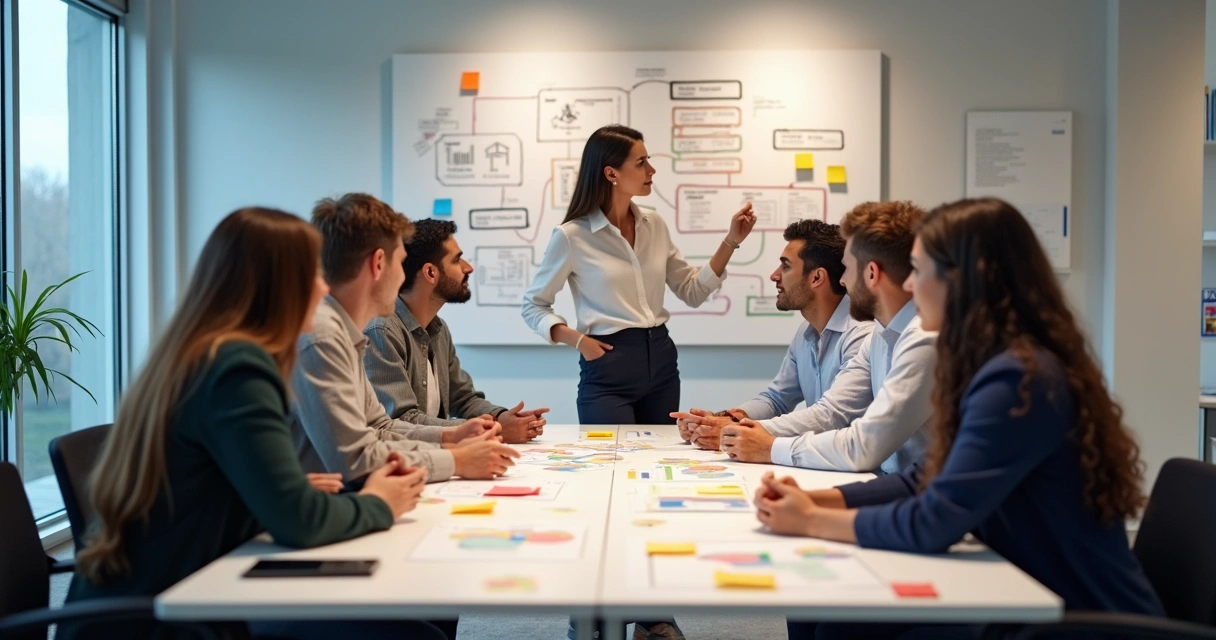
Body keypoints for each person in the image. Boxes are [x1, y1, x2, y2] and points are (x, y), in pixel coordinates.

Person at [757, 198, 1165, 640]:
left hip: (1071, 616)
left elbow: (933, 521)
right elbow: (924, 478)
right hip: (1019, 587)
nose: (909, 284)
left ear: (962, 279)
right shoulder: (991, 364)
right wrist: (818, 500)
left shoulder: (1018, 381)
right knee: (827, 615)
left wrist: (810, 520)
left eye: (918, 269)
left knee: (840, 629)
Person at [62, 208, 443, 640]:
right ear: (279, 287)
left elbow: (205, 488)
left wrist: (281, 491)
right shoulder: (237, 369)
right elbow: (298, 522)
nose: (322, 288)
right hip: (159, 617)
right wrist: (380, 502)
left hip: (160, 593)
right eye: (311, 275)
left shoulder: (205, 353)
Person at [522, 124, 756, 431]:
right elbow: (533, 306)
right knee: (610, 461)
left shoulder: (654, 224)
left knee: (657, 462)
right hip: (607, 364)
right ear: (611, 173)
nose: (652, 169)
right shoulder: (571, 236)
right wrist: (579, 341)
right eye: (641, 162)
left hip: (660, 361)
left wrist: (730, 241)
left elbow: (692, 291)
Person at [680, 201, 935, 475]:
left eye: (847, 268)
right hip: (889, 481)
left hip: (912, 491)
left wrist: (761, 443)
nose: (844, 281)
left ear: (871, 273)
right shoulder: (879, 334)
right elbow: (778, 398)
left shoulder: (911, 337)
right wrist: (726, 421)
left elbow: (844, 426)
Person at [291, 193, 519, 487]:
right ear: (378, 264)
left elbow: (380, 428)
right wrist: (456, 460)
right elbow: (355, 460)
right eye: (400, 263)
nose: (403, 278)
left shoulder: (341, 332)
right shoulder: (323, 338)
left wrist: (451, 438)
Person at [670, 219, 872, 447]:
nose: (775, 276)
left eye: (785, 266)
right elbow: (776, 400)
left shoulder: (861, 335)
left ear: (817, 278)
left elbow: (831, 416)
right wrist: (722, 419)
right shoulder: (806, 332)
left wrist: (733, 431)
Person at [364, 218, 549, 444]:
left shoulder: (438, 329)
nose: (468, 268)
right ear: (431, 273)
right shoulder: (381, 331)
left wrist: (504, 417)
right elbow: (401, 421)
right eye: (457, 260)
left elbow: (464, 399)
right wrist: (494, 429)